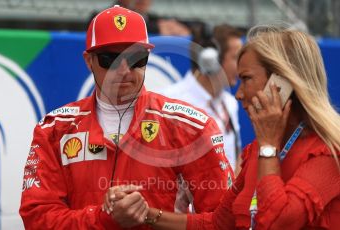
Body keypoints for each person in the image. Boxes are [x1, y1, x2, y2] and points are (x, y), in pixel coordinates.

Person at [19, 5, 234, 229]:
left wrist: (150, 216)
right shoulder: (54, 130)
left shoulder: (192, 126)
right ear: (88, 61)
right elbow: (37, 219)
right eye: (110, 58)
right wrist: (103, 217)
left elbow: (225, 221)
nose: (124, 70)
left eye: (136, 58)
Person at [108, 26, 340, 229]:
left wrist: (268, 145)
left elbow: (275, 222)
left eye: (246, 79)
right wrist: (144, 214)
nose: (238, 94)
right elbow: (217, 224)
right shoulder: (256, 153)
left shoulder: (327, 154)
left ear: (281, 83)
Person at [162, 24, 243, 172]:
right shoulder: (169, 101)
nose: (241, 65)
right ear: (211, 60)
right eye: (235, 57)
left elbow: (236, 157)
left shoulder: (230, 103)